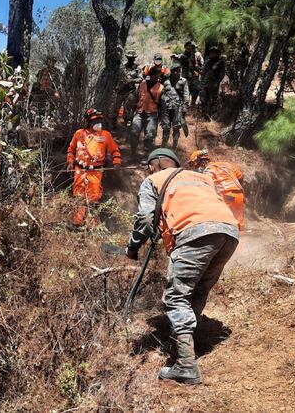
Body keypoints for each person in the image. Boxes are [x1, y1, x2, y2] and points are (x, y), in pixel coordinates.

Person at [126, 148, 241, 385]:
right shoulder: (199, 177)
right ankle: (186, 346)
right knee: (197, 291)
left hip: (195, 232)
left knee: (177, 298)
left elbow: (146, 220)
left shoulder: (152, 180)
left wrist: (133, 246)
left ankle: (186, 365)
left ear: (153, 165)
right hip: (229, 231)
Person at [66, 108, 122, 226]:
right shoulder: (79, 134)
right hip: (79, 170)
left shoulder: (105, 135)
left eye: (99, 120)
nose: (98, 123)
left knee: (93, 197)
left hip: (96, 171)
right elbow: (71, 149)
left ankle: (92, 225)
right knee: (79, 196)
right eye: (94, 121)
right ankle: (77, 222)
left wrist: (117, 162)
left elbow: (115, 150)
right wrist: (70, 161)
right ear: (87, 122)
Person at [130, 66, 180, 163]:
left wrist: (163, 118)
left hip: (152, 114)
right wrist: (132, 112)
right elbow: (136, 97)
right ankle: (133, 155)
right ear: (151, 75)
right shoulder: (142, 84)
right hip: (139, 112)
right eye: (156, 75)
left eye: (158, 75)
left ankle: (146, 157)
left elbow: (163, 105)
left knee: (149, 135)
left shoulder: (161, 87)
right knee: (134, 132)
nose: (157, 77)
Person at [189, 149, 245, 229]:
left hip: (227, 197)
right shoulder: (226, 164)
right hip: (240, 197)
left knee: (225, 224)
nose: (197, 169)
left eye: (197, 166)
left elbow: (207, 189)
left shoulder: (208, 171)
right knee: (239, 225)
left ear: (201, 162)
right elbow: (240, 177)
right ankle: (243, 239)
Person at [160, 58, 189, 149]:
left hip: (178, 107)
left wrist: (185, 106)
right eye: (174, 71)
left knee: (176, 127)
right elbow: (159, 90)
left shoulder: (183, 81)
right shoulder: (165, 79)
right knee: (166, 127)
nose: (177, 72)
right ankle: (164, 145)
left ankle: (174, 146)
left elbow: (186, 94)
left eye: (178, 70)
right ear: (171, 71)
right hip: (166, 107)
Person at [116, 49, 142, 126]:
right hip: (121, 89)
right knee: (116, 106)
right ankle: (114, 121)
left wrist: (131, 80)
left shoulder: (137, 68)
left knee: (129, 107)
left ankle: (128, 120)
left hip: (131, 90)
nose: (131, 59)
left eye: (132, 58)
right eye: (129, 58)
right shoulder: (123, 67)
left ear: (134, 58)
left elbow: (140, 79)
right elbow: (118, 77)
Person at [200, 46, 226, 118]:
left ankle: (212, 115)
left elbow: (222, 74)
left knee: (213, 100)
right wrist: (201, 83)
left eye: (214, 53)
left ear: (217, 54)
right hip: (205, 84)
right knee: (203, 99)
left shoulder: (220, 62)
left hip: (214, 84)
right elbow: (203, 73)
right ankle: (204, 115)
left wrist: (217, 82)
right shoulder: (207, 61)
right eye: (211, 52)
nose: (212, 54)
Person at [180, 41, 204, 108]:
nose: (190, 48)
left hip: (195, 76)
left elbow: (202, 65)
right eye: (188, 46)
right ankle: (186, 104)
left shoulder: (198, 55)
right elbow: (179, 65)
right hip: (185, 75)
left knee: (195, 89)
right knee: (186, 90)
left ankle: (193, 104)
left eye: (191, 46)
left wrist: (198, 69)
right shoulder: (183, 55)